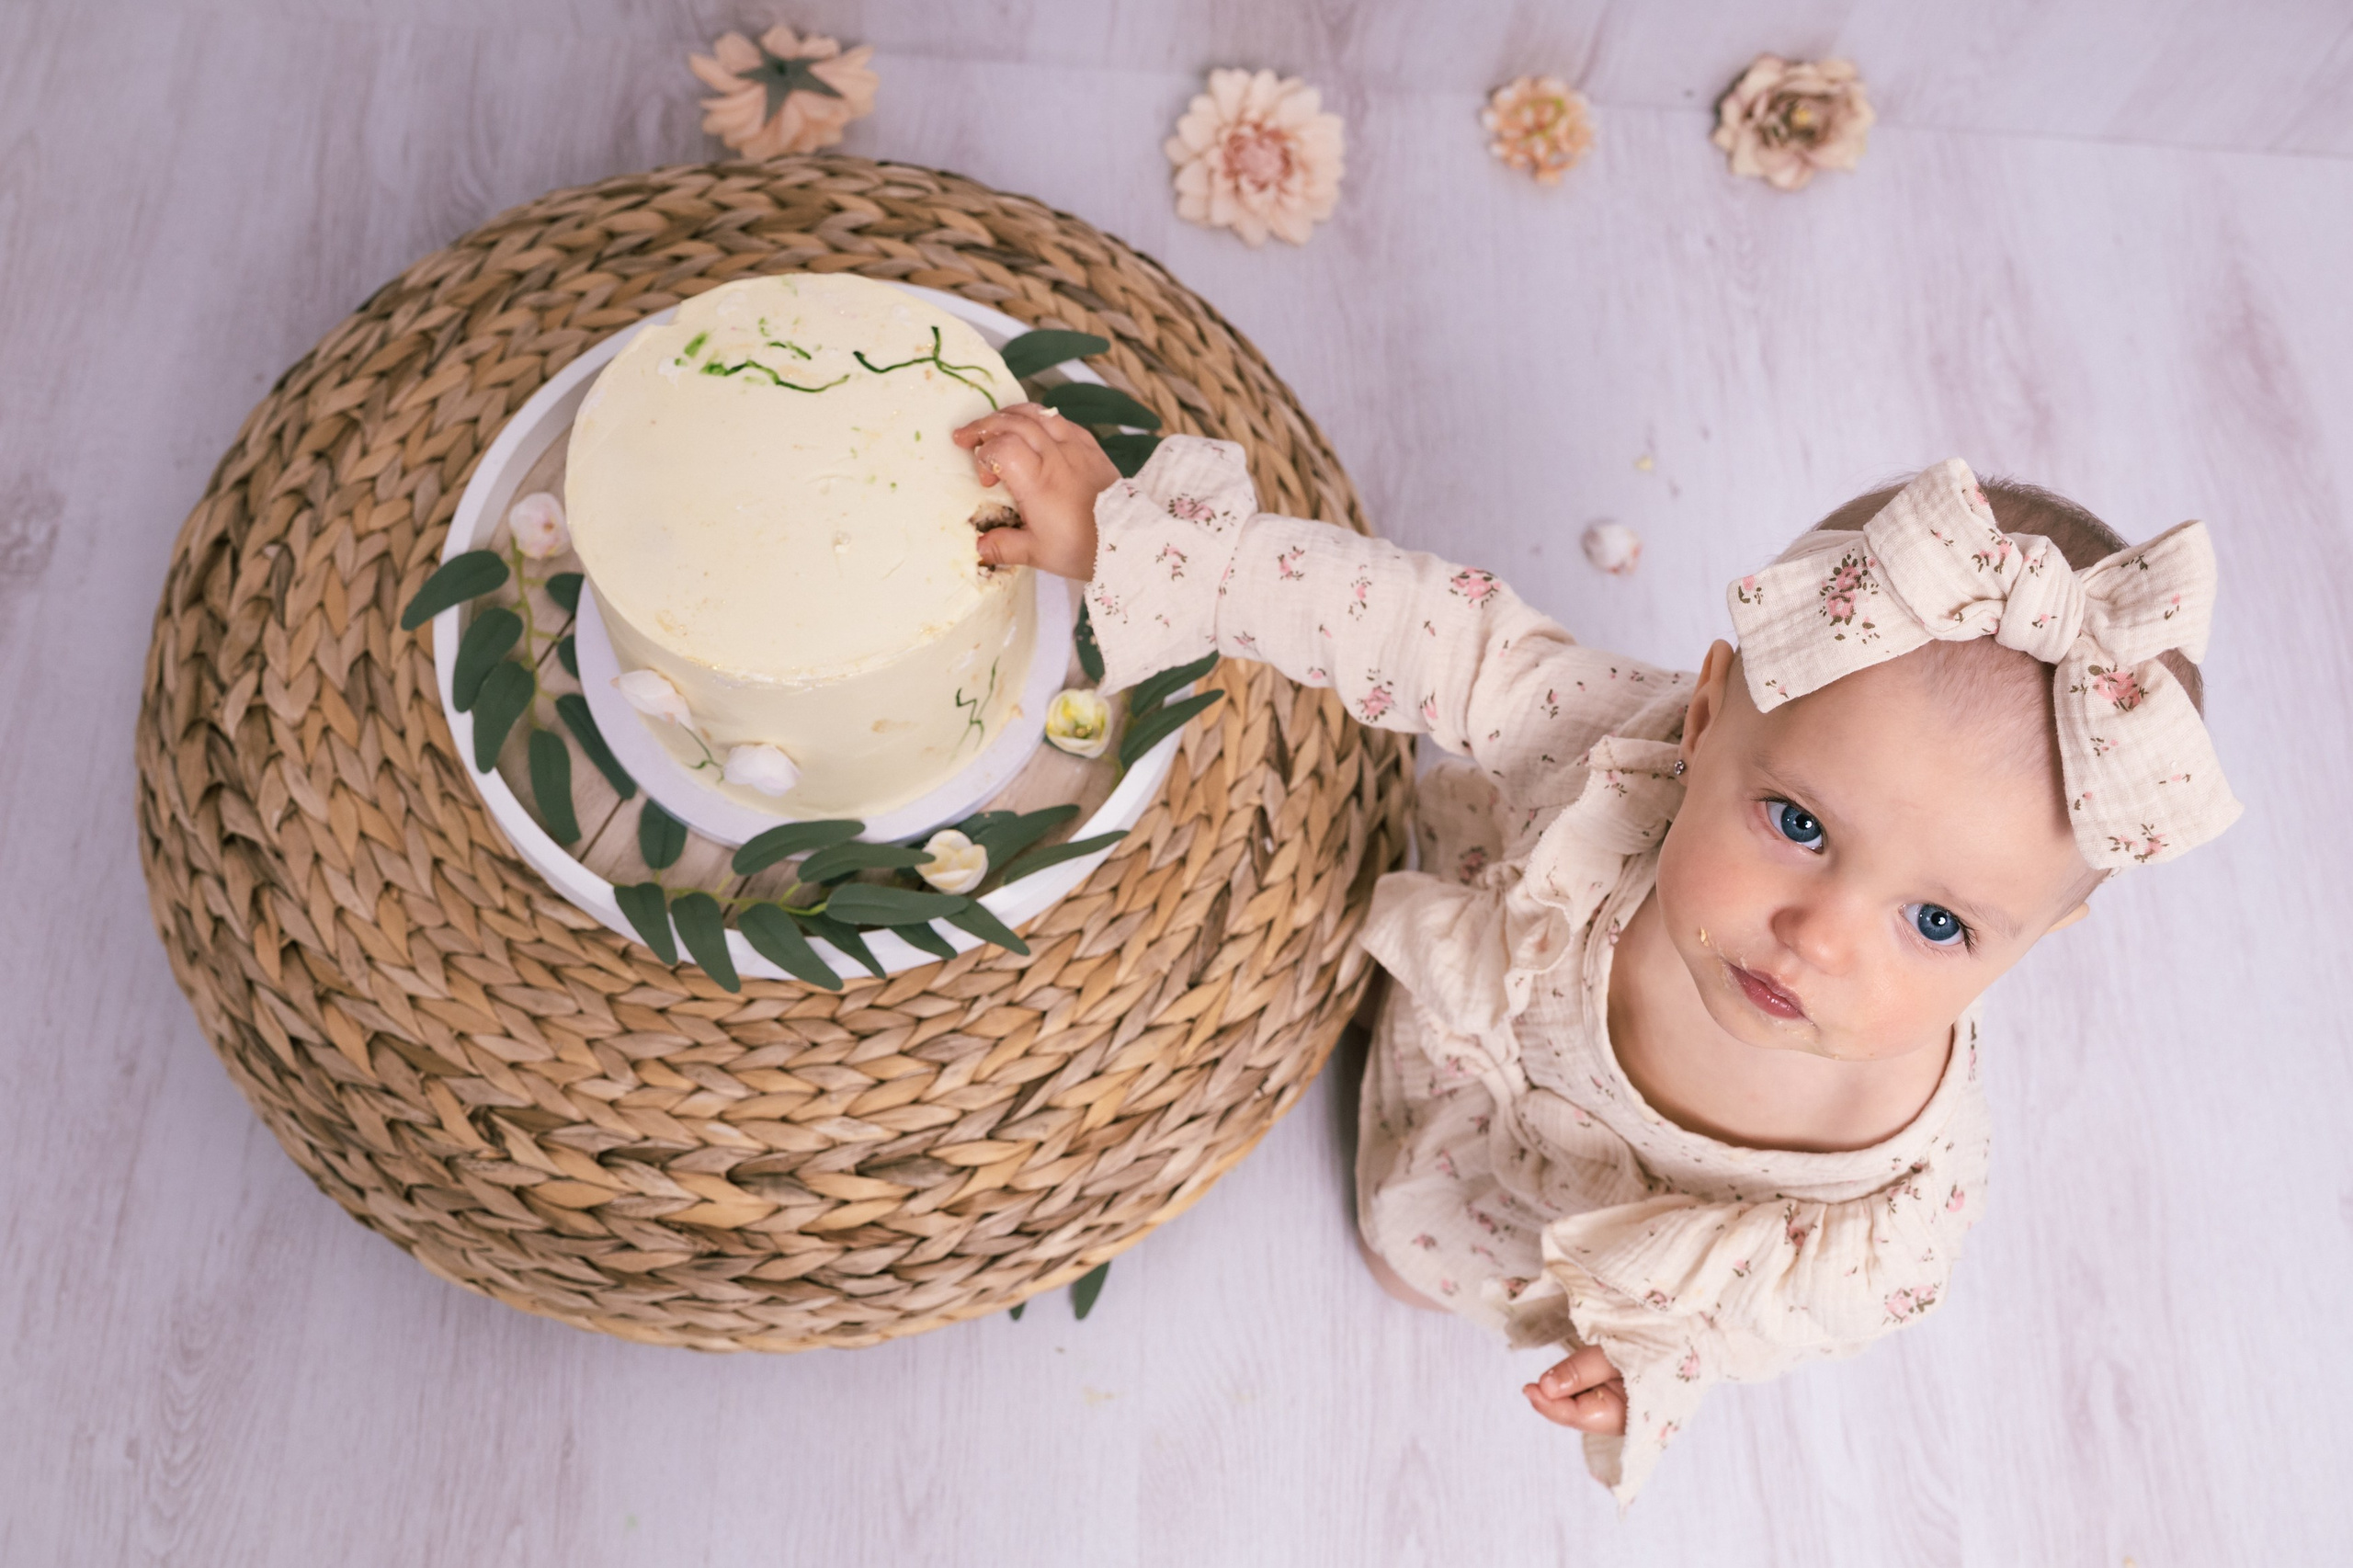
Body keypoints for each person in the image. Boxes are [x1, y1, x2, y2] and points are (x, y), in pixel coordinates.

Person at [952, 406, 2239, 1504]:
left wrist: (1660, 1362)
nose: (1823, 936)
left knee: (1433, 1264)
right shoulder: (1617, 744)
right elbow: (1421, 628)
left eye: (1940, 922)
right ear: (1705, 707)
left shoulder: (1903, 1185)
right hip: (1480, 1039)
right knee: (1401, 1181)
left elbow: (1794, 1304)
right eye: (1797, 824)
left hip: (1569, 1219)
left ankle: (1441, 1248)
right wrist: (1151, 545)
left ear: (2043, 940)